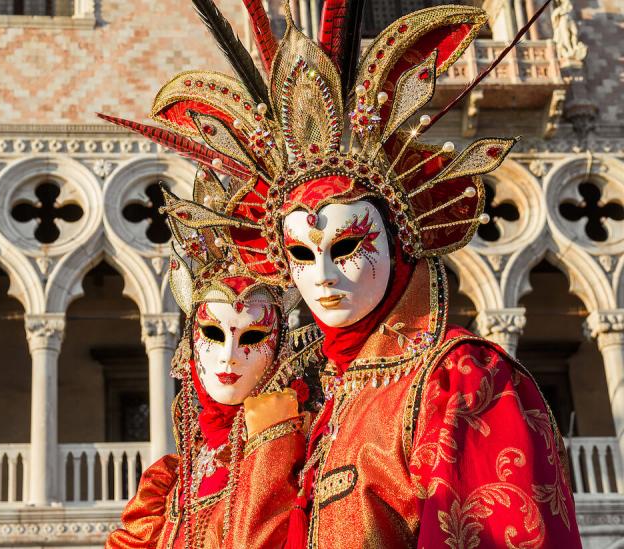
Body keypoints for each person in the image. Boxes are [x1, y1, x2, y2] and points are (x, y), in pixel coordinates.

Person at [101, 0, 583, 546]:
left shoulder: (460, 381)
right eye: (301, 254)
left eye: (348, 245)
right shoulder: (328, 409)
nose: (323, 274)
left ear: (399, 240)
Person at [104, 167, 320, 549]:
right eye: (212, 334)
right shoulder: (168, 482)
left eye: (251, 337)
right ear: (189, 343)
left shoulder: (300, 449)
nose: (229, 357)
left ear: (279, 349)